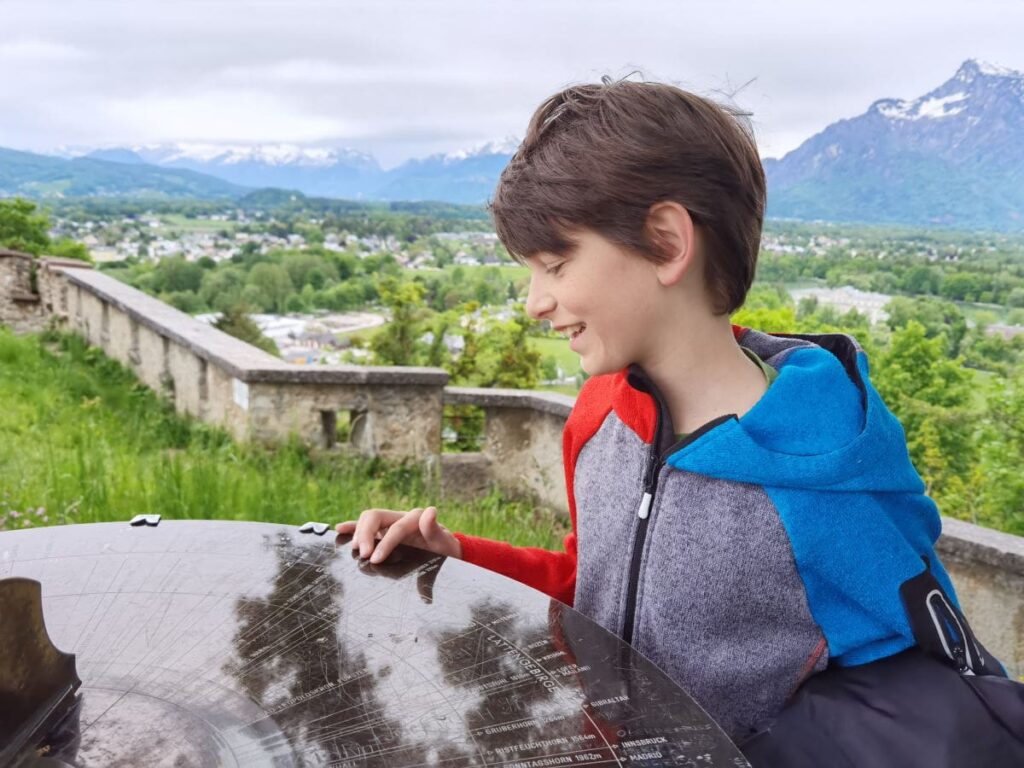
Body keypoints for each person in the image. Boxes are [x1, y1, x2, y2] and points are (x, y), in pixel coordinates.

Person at [337, 79, 1023, 762]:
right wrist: (461, 561)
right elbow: (594, 593)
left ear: (666, 243)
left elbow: (921, 705)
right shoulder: (599, 417)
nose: (534, 302)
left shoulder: (823, 486)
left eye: (555, 264)